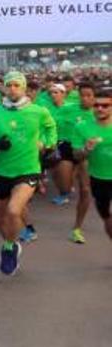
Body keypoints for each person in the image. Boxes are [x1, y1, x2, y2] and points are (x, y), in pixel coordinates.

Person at [0, 70, 57, 276]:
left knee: (14, 210)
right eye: (9, 85)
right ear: (4, 87)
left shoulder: (38, 111)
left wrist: (47, 143)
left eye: (17, 85)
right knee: (1, 215)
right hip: (2, 171)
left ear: (23, 88)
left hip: (28, 170)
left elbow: (51, 128)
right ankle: (11, 244)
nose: (12, 89)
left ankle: (7, 248)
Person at [77, 88, 112, 248]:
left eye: (105, 106)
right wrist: (86, 149)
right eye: (97, 105)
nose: (100, 109)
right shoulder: (82, 127)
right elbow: (77, 155)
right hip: (99, 179)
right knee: (106, 217)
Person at [64, 83, 98, 242]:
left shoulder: (102, 111)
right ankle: (76, 228)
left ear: (95, 97)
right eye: (82, 95)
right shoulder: (69, 109)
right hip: (78, 152)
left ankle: (77, 228)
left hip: (100, 156)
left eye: (89, 95)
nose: (85, 99)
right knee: (80, 189)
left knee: (89, 192)